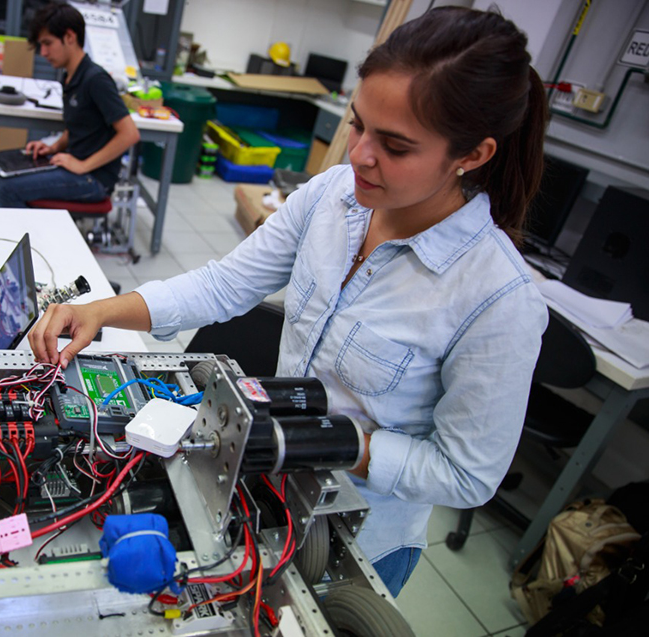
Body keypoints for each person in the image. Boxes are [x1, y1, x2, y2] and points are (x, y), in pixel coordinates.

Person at [30, 6, 550, 597]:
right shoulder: (336, 195)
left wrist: (331, 441)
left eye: (395, 146)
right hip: (266, 490)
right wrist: (103, 310)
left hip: (356, 542)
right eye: (358, 126)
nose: (358, 155)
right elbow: (225, 284)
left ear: (473, 155)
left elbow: (466, 474)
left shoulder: (498, 298)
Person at [0, 2, 140, 208]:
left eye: (48, 43)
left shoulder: (96, 79)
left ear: (70, 37)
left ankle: (30, 237)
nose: (43, 52)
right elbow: (79, 126)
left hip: (94, 178)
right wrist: (53, 147)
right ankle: (31, 228)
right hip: (73, 164)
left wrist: (83, 166)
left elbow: (130, 134)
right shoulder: (70, 77)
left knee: (6, 188)